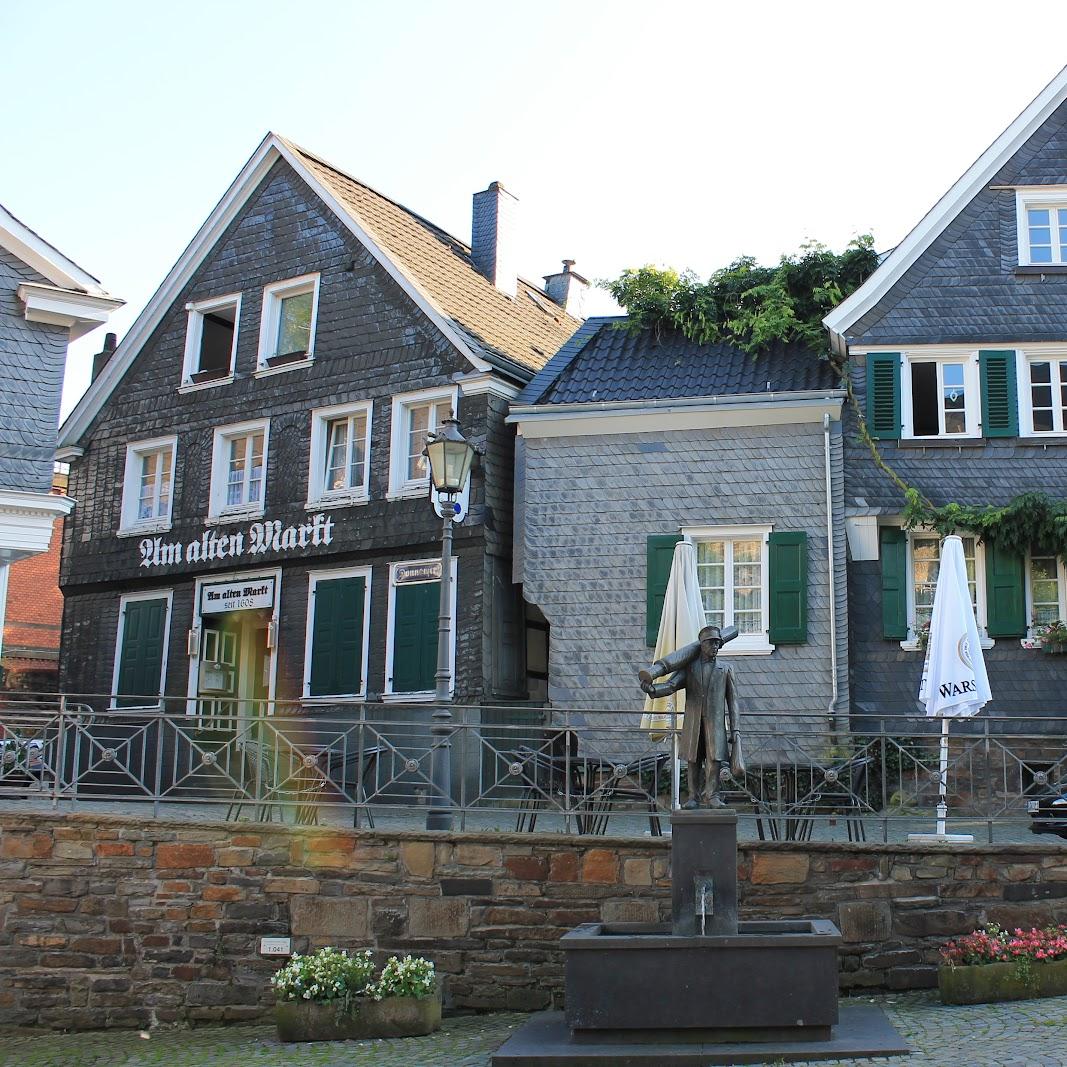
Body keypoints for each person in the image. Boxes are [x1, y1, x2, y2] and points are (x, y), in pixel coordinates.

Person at [639, 625, 744, 809]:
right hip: (693, 722)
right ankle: (693, 797)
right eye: (712, 643)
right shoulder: (690, 668)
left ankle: (712, 796)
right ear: (702, 644)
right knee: (693, 760)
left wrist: (735, 729)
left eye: (718, 643)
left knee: (714, 760)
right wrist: (653, 690)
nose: (716, 647)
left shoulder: (726, 669)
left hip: (716, 723)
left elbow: (733, 702)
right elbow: (672, 685)